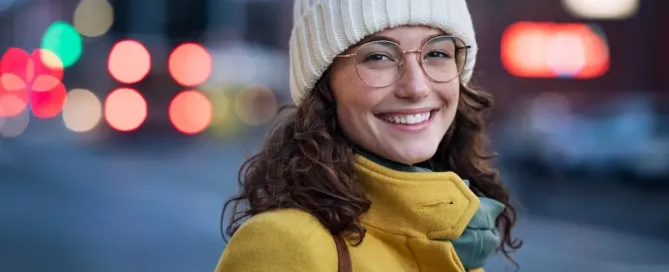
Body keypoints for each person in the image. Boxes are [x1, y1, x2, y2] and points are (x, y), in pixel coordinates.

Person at [215, 0, 522, 271]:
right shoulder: (286, 245)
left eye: (437, 52)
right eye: (378, 57)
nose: (416, 87)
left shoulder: (460, 239)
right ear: (324, 86)